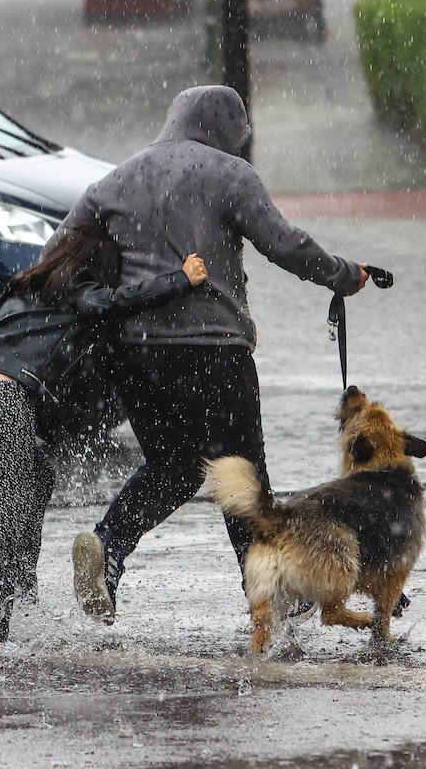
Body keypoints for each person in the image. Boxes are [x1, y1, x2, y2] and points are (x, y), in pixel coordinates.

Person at [62, 84, 369, 625]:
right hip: (213, 351)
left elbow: (60, 255)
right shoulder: (230, 174)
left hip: (137, 355)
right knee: (241, 472)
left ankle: (107, 550)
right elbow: (284, 243)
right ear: (226, 130)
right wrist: (344, 275)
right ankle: (269, 589)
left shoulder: (116, 179)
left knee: (175, 466)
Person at [0, 224, 209, 644]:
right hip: (3, 399)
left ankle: (18, 590)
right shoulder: (76, 288)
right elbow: (113, 302)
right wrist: (179, 280)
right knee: (5, 521)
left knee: (37, 477)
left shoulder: (31, 286)